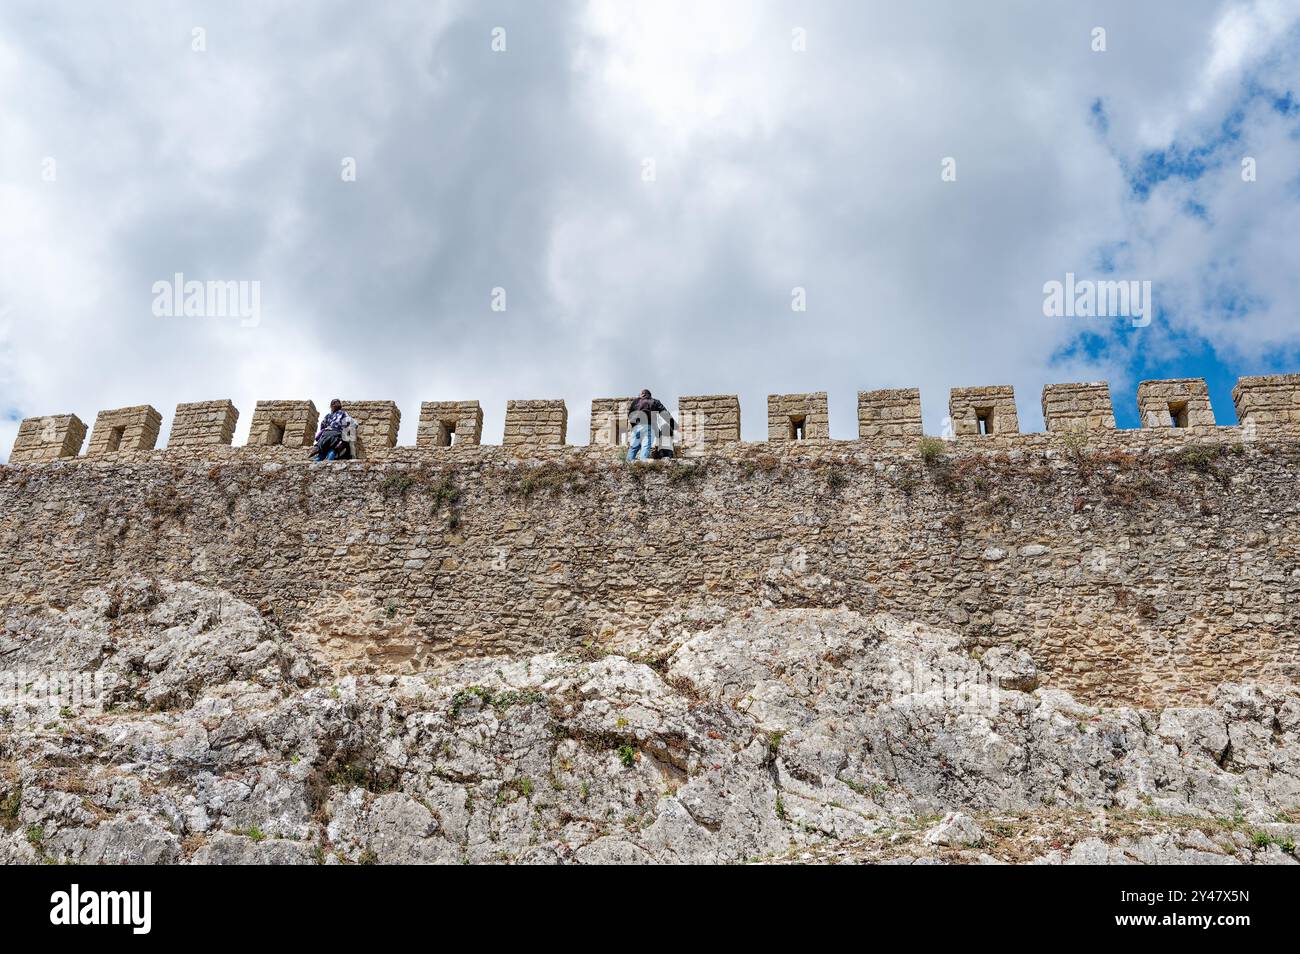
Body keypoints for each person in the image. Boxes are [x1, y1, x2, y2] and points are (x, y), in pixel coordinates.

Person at [626, 389, 674, 462]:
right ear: (649, 395)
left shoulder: (635, 402)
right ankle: (643, 462)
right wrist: (673, 424)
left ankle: (628, 462)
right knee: (646, 445)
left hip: (636, 427)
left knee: (633, 446)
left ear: (642, 394)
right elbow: (665, 413)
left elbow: (629, 414)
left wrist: (634, 425)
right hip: (647, 426)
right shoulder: (654, 401)